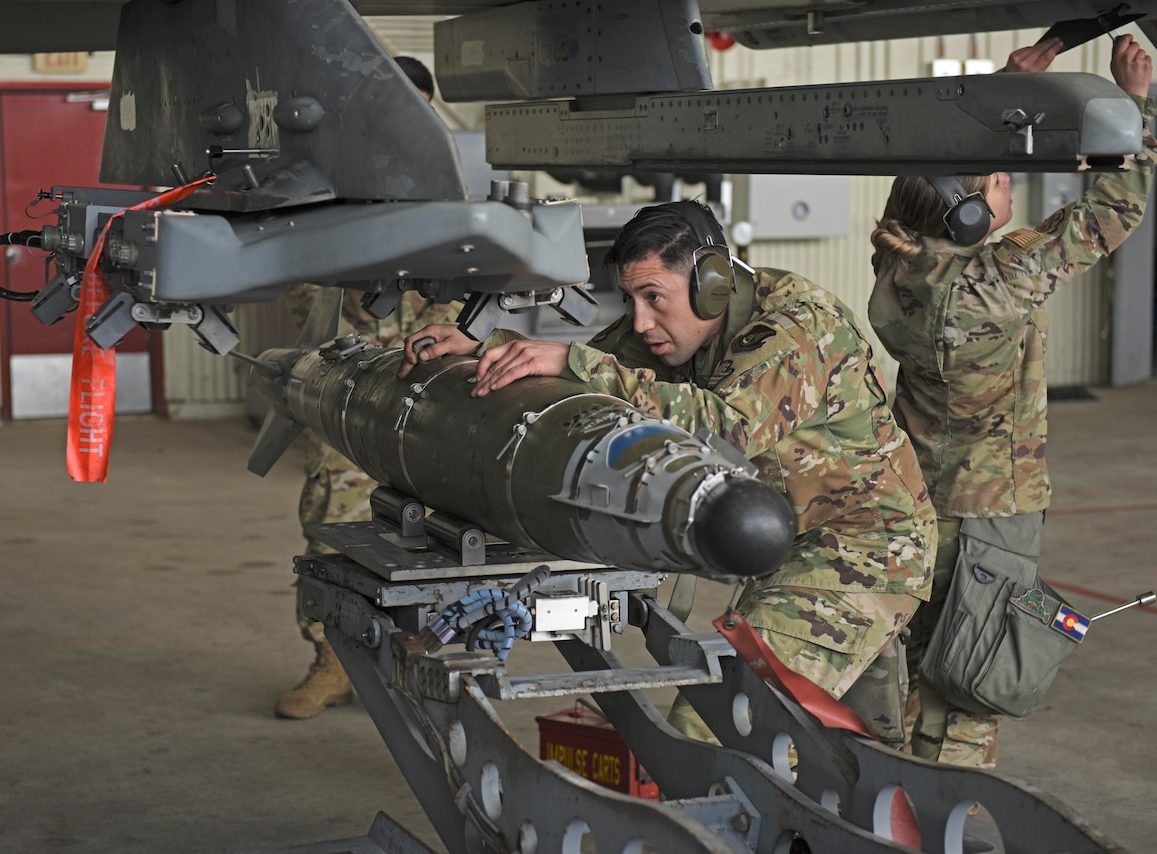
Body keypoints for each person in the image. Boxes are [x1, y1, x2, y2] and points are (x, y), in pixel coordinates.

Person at [400, 200, 937, 745]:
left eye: (654, 298)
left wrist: (577, 364)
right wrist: (487, 348)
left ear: (712, 284)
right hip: (777, 541)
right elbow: (586, 374)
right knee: (847, 750)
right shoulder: (673, 330)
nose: (640, 321)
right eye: (631, 299)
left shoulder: (797, 328)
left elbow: (724, 430)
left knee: (720, 732)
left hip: (862, 551)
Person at [867, 34, 1154, 768]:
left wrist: (1002, 88)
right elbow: (1115, 205)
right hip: (994, 512)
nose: (1010, 188)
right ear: (966, 213)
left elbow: (928, 185)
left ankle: (892, 809)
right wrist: (1134, 105)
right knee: (973, 684)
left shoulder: (898, 269)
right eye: (998, 180)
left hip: (918, 500)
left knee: (916, 666)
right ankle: (953, 811)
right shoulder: (1000, 277)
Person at [274, 55, 456, 720]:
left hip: (435, 385)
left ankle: (420, 659)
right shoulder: (327, 176)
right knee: (332, 520)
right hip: (350, 378)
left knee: (441, 531)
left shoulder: (451, 177)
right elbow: (298, 265)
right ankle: (332, 659)